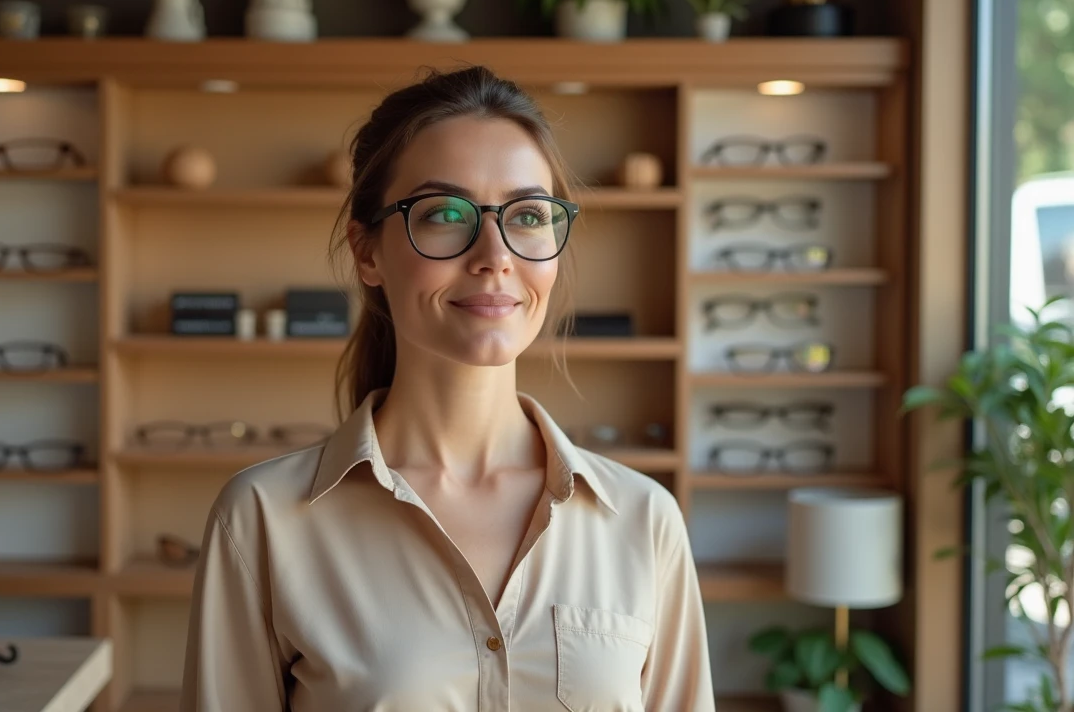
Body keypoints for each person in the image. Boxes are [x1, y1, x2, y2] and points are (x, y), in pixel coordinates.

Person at [180, 65, 715, 711]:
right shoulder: (263, 520)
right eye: (444, 213)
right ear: (367, 251)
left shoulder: (643, 520)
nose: (494, 254)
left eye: (527, 215)